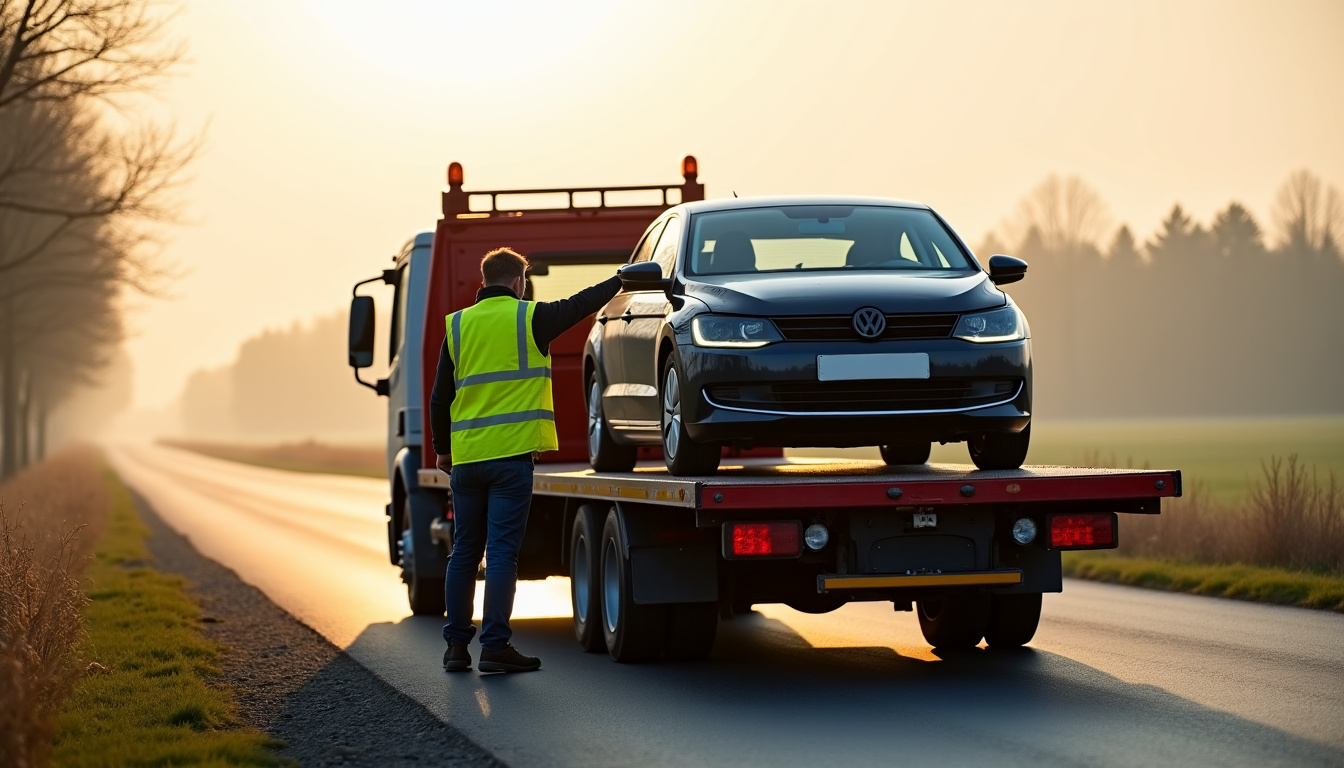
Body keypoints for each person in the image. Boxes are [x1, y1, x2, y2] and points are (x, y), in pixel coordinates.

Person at [431, 246, 622, 673]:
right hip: (511, 458)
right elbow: (583, 302)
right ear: (520, 283)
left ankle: (455, 648)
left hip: (467, 459)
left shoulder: (458, 326)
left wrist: (442, 447)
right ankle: (495, 647)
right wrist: (620, 279)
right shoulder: (530, 317)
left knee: (464, 551)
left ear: (483, 283)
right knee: (500, 553)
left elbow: (441, 395)